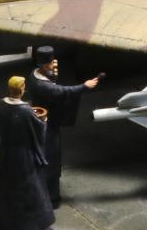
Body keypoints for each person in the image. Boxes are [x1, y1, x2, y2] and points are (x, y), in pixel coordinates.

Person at [25, 46, 100, 207]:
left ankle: (47, 194)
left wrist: (53, 74)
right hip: (47, 125)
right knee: (50, 161)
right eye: (51, 63)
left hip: (44, 120)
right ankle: (50, 198)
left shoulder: (34, 74)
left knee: (50, 159)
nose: (54, 65)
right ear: (44, 65)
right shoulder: (43, 86)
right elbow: (64, 91)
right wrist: (85, 86)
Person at [0, 76, 55, 230]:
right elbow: (37, 128)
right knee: (27, 188)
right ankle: (26, 227)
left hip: (6, 153)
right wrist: (43, 121)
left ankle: (3, 223)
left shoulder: (1, 104)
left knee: (5, 187)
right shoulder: (25, 110)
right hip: (24, 156)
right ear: (21, 89)